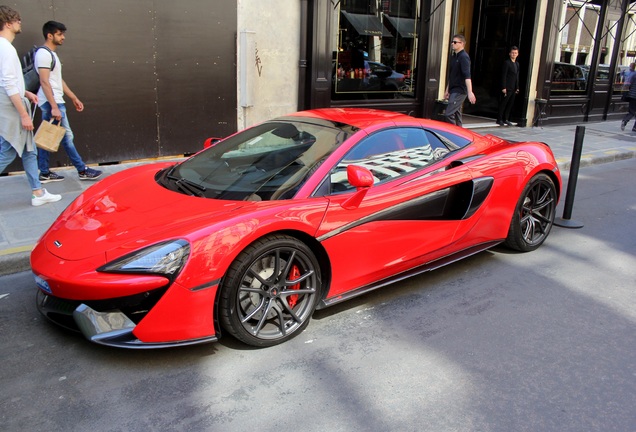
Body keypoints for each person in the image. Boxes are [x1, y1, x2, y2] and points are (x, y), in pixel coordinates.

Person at [0, 5, 61, 207]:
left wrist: (25, 92)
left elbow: (7, 81)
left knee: (29, 150)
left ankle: (38, 192)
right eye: (17, 20)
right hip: (11, 107)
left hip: (12, 102)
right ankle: (38, 191)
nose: (20, 23)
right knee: (8, 150)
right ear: (8, 23)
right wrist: (24, 115)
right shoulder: (6, 49)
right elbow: (8, 84)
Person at [35, 20, 102, 182]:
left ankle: (44, 172)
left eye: (63, 34)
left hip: (56, 101)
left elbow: (58, 81)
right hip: (52, 102)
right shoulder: (43, 54)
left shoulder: (52, 55)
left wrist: (73, 97)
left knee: (48, 138)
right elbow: (44, 82)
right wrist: (54, 106)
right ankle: (82, 169)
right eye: (59, 34)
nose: (63, 37)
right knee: (65, 137)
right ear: (49, 35)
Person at [444, 34, 476, 127]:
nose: (452, 44)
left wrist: (470, 92)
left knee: (448, 114)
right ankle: (461, 134)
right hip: (453, 89)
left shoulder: (464, 57)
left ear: (461, 44)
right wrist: (447, 90)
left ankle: (454, 133)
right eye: (452, 42)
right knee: (457, 114)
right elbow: (452, 75)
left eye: (454, 42)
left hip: (460, 90)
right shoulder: (454, 57)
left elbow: (467, 76)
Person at [497, 46, 520, 127]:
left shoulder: (517, 64)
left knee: (509, 104)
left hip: (513, 88)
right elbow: (503, 76)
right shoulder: (507, 63)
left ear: (517, 54)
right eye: (512, 53)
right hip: (507, 87)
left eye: (515, 53)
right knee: (503, 104)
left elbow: (517, 76)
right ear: (510, 54)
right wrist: (503, 87)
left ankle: (505, 119)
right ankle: (499, 119)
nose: (514, 54)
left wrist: (517, 87)